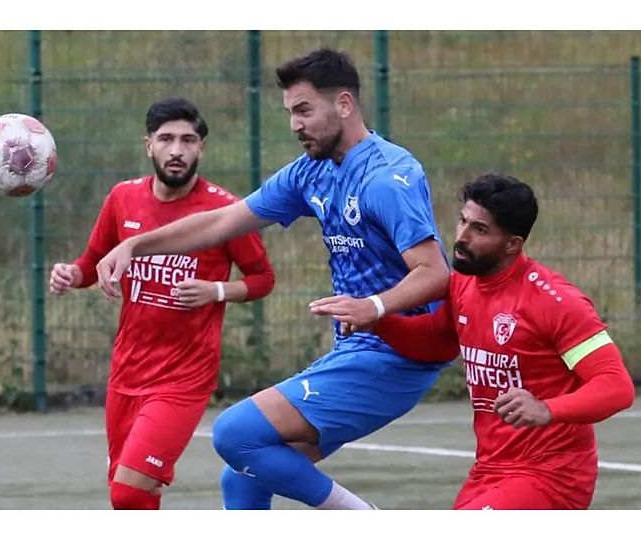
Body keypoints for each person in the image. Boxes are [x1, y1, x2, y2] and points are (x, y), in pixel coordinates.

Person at [95, 48, 452, 510]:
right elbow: (221, 222)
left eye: (304, 110)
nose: (295, 124)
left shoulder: (385, 176)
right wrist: (133, 246)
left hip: (401, 353)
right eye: (289, 113)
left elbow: (435, 272)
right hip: (360, 347)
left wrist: (374, 306)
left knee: (236, 434)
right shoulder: (312, 172)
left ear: (344, 105)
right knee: (243, 476)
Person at [49, 97, 275, 510]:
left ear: (201, 148)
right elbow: (91, 263)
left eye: (188, 140)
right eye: (166, 139)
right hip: (127, 371)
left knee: (130, 490)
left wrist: (217, 291)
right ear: (148, 145)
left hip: (183, 376)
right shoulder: (123, 198)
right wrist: (71, 274)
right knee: (131, 499)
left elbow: (263, 279)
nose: (177, 150)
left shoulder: (225, 211)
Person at [370, 172, 636, 509]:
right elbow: (437, 341)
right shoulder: (464, 284)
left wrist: (547, 409)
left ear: (513, 244)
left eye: (479, 230)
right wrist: (376, 321)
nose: (461, 237)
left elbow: (616, 386)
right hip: (488, 470)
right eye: (462, 222)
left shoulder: (556, 302)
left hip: (550, 477)